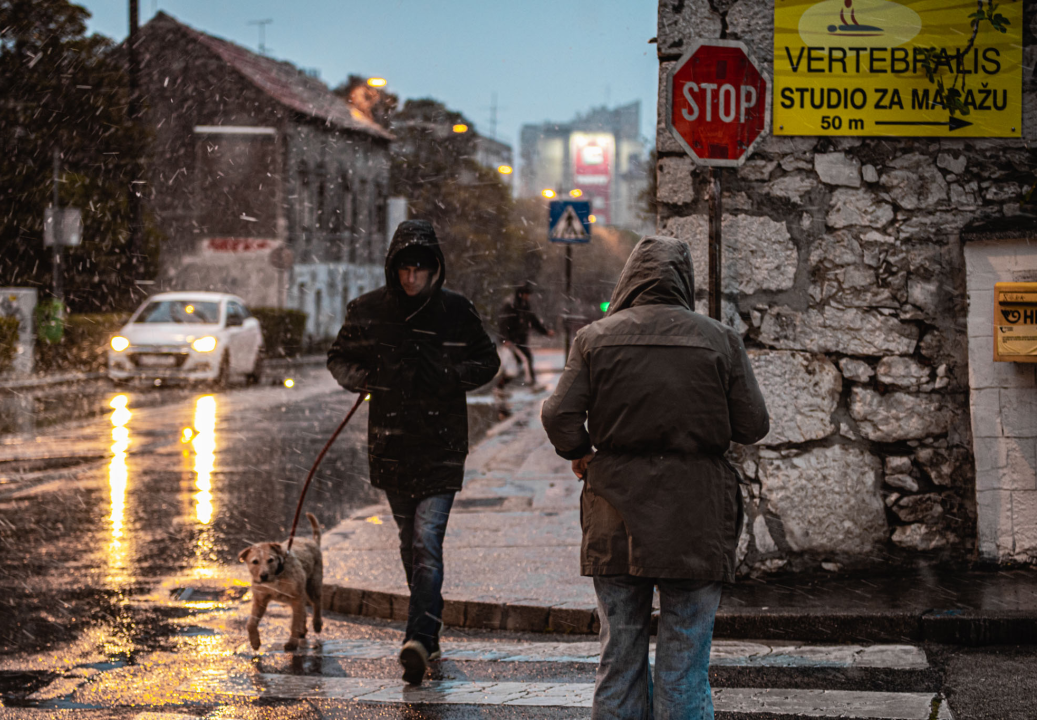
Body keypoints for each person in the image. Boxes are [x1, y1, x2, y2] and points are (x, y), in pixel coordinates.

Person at [540, 236, 769, 720]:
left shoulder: (594, 339)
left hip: (616, 518)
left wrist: (580, 451)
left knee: (619, 658)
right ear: (683, 281)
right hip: (696, 517)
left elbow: (559, 414)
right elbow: (753, 425)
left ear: (630, 278)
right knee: (684, 664)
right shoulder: (720, 339)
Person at [327, 219, 500, 685]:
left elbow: (487, 361)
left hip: (442, 446)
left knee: (427, 541)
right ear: (393, 268)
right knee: (410, 543)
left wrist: (449, 375)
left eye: (420, 270)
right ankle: (432, 626)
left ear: (435, 270)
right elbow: (340, 357)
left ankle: (418, 639)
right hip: (390, 445)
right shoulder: (368, 311)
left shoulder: (456, 311)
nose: (411, 279)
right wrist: (367, 381)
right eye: (404, 269)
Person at [497, 283, 554, 385]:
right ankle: (531, 384)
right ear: (521, 294)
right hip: (513, 341)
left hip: (520, 340)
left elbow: (533, 321)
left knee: (517, 364)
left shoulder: (525, 306)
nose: (528, 297)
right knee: (525, 360)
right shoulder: (511, 306)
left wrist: (545, 332)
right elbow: (503, 323)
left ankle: (500, 387)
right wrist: (505, 339)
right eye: (526, 294)